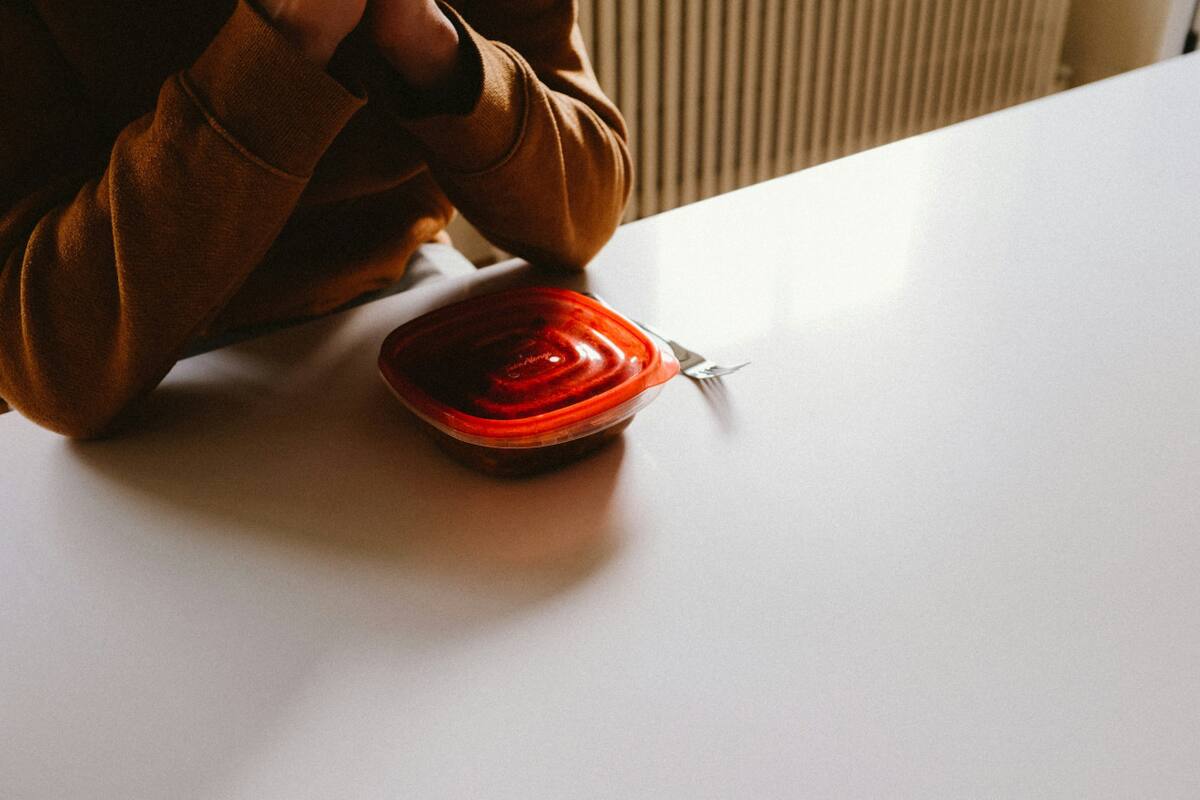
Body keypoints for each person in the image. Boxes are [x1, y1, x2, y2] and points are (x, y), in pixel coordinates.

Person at [0, 0, 631, 436]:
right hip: (140, 386)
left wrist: (432, 43)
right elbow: (45, 367)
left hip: (401, 299)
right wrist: (286, 43)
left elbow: (588, 212)